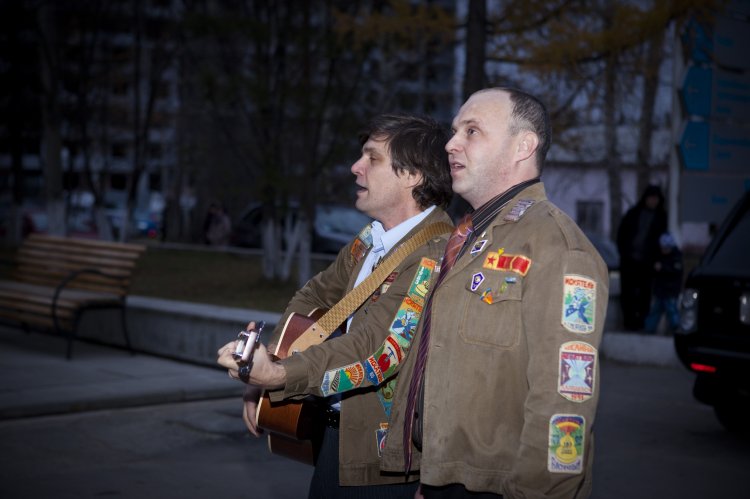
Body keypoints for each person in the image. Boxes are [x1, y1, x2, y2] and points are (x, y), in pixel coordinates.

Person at [378, 88, 610, 498]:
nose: (451, 144)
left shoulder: (556, 246)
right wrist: (430, 476)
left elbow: (563, 401)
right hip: (443, 479)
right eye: (455, 131)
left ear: (523, 146)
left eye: (472, 131)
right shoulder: (466, 238)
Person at [218, 113, 454, 497]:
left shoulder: (432, 253)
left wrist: (278, 376)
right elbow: (312, 297)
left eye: (372, 158)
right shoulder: (373, 238)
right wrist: (273, 359)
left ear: (412, 175)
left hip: (384, 465)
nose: (355, 167)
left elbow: (375, 349)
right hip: (336, 439)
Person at [616, 184, 667, 330]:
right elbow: (622, 234)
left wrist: (657, 259)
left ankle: (641, 322)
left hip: (648, 263)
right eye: (651, 198)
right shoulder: (633, 214)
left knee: (645, 294)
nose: (653, 201)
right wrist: (624, 252)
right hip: (629, 260)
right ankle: (629, 322)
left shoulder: (661, 217)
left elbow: (663, 241)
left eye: (655, 198)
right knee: (628, 293)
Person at [644, 232, 683, 334]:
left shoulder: (676, 257)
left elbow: (675, 271)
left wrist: (662, 268)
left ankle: (675, 329)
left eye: (666, 248)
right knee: (656, 311)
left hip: (670, 291)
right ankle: (649, 328)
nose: (664, 250)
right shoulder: (659, 255)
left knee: (672, 310)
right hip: (660, 290)